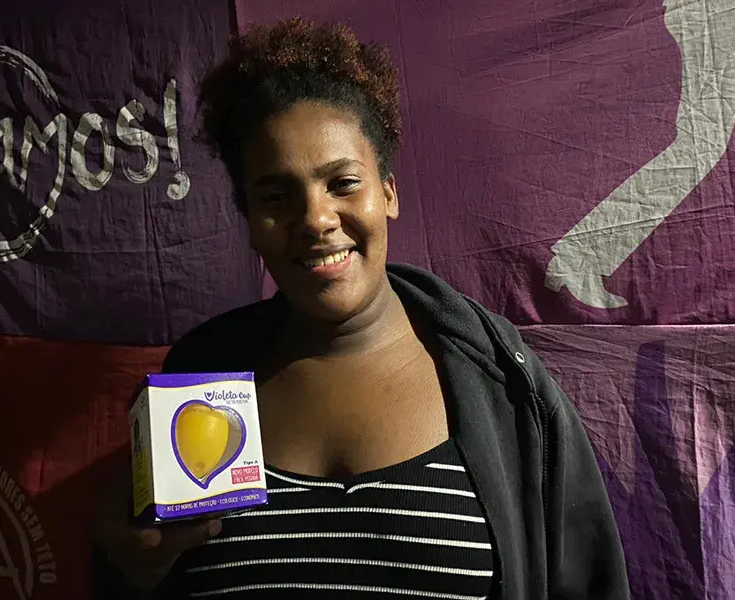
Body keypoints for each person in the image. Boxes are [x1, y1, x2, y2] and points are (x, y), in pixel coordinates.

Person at [92, 17, 629, 600]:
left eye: (342, 183)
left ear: (388, 192)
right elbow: (141, 573)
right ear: (248, 220)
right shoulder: (197, 382)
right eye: (276, 196)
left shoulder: (501, 381)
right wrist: (130, 571)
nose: (316, 219)